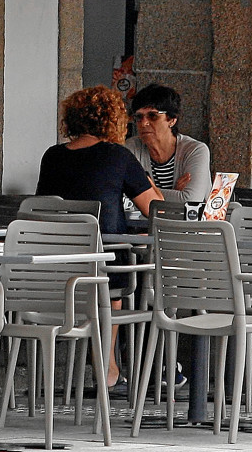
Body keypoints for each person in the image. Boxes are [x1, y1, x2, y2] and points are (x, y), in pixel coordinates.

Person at [35, 85, 164, 391]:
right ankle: (107, 367)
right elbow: (154, 208)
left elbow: (43, 207)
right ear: (112, 121)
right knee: (116, 275)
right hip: (103, 270)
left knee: (107, 262)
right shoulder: (117, 156)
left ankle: (94, 368)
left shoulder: (52, 156)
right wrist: (143, 176)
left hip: (53, 265)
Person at [125, 83, 212, 203]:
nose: (144, 123)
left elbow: (190, 200)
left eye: (152, 116)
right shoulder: (130, 148)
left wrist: (144, 193)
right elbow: (123, 197)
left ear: (172, 119)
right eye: (139, 117)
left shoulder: (195, 150)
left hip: (189, 222)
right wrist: (174, 194)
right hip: (146, 222)